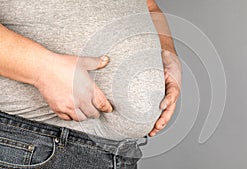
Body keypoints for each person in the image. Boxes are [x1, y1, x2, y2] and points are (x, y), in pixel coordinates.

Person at [0, 0, 181, 168]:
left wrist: (168, 53)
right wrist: (43, 70)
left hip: (122, 154)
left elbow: (149, 7)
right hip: (32, 142)